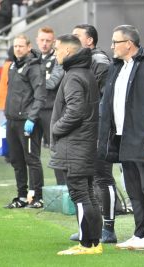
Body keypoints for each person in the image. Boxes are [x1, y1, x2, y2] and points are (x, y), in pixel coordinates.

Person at [98, 25, 144, 251]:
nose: (111, 46)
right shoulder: (116, 68)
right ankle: (139, 233)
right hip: (121, 138)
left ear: (128, 44)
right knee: (133, 191)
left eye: (115, 42)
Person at [50, 34, 102, 255]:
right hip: (84, 143)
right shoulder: (84, 72)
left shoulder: (73, 76)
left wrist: (55, 128)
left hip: (75, 145)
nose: (54, 54)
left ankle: (85, 244)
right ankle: (95, 243)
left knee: (80, 195)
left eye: (56, 50)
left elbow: (75, 111)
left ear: (68, 52)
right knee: (88, 193)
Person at [71, 24, 117, 243]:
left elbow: (105, 99)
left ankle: (109, 228)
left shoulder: (99, 62)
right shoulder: (82, 62)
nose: (72, 40)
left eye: (77, 36)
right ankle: (91, 226)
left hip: (99, 128)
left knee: (103, 176)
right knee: (88, 177)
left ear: (89, 41)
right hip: (86, 128)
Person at [4, 34, 46, 209]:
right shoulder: (13, 66)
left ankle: (38, 196)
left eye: (21, 46)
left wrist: (32, 117)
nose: (18, 49)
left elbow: (40, 95)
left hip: (27, 122)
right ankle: (21, 196)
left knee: (32, 159)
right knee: (16, 160)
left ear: (29, 47)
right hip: (12, 120)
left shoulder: (34, 67)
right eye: (15, 46)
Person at [36, 26, 65, 185]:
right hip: (33, 110)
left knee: (56, 150)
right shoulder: (33, 58)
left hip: (51, 110)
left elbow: (53, 82)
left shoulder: (58, 59)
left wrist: (33, 83)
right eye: (42, 40)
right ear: (37, 40)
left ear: (53, 42)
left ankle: (63, 189)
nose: (45, 44)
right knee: (31, 153)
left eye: (48, 40)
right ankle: (35, 193)